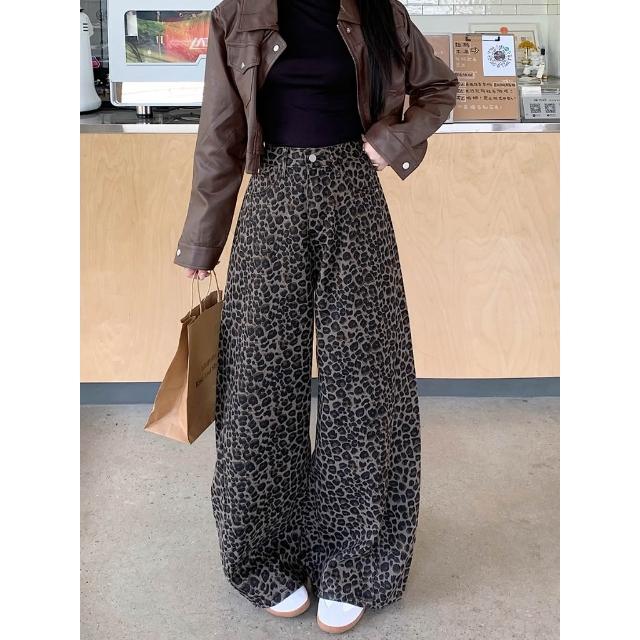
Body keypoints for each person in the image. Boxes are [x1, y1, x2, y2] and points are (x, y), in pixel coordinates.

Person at [173, 0, 459, 633]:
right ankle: (263, 555)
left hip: (355, 205)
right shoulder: (235, 16)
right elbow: (219, 134)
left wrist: (389, 142)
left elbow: (439, 88)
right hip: (271, 205)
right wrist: (202, 241)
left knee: (364, 387)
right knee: (257, 391)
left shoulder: (381, 11)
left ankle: (353, 561)